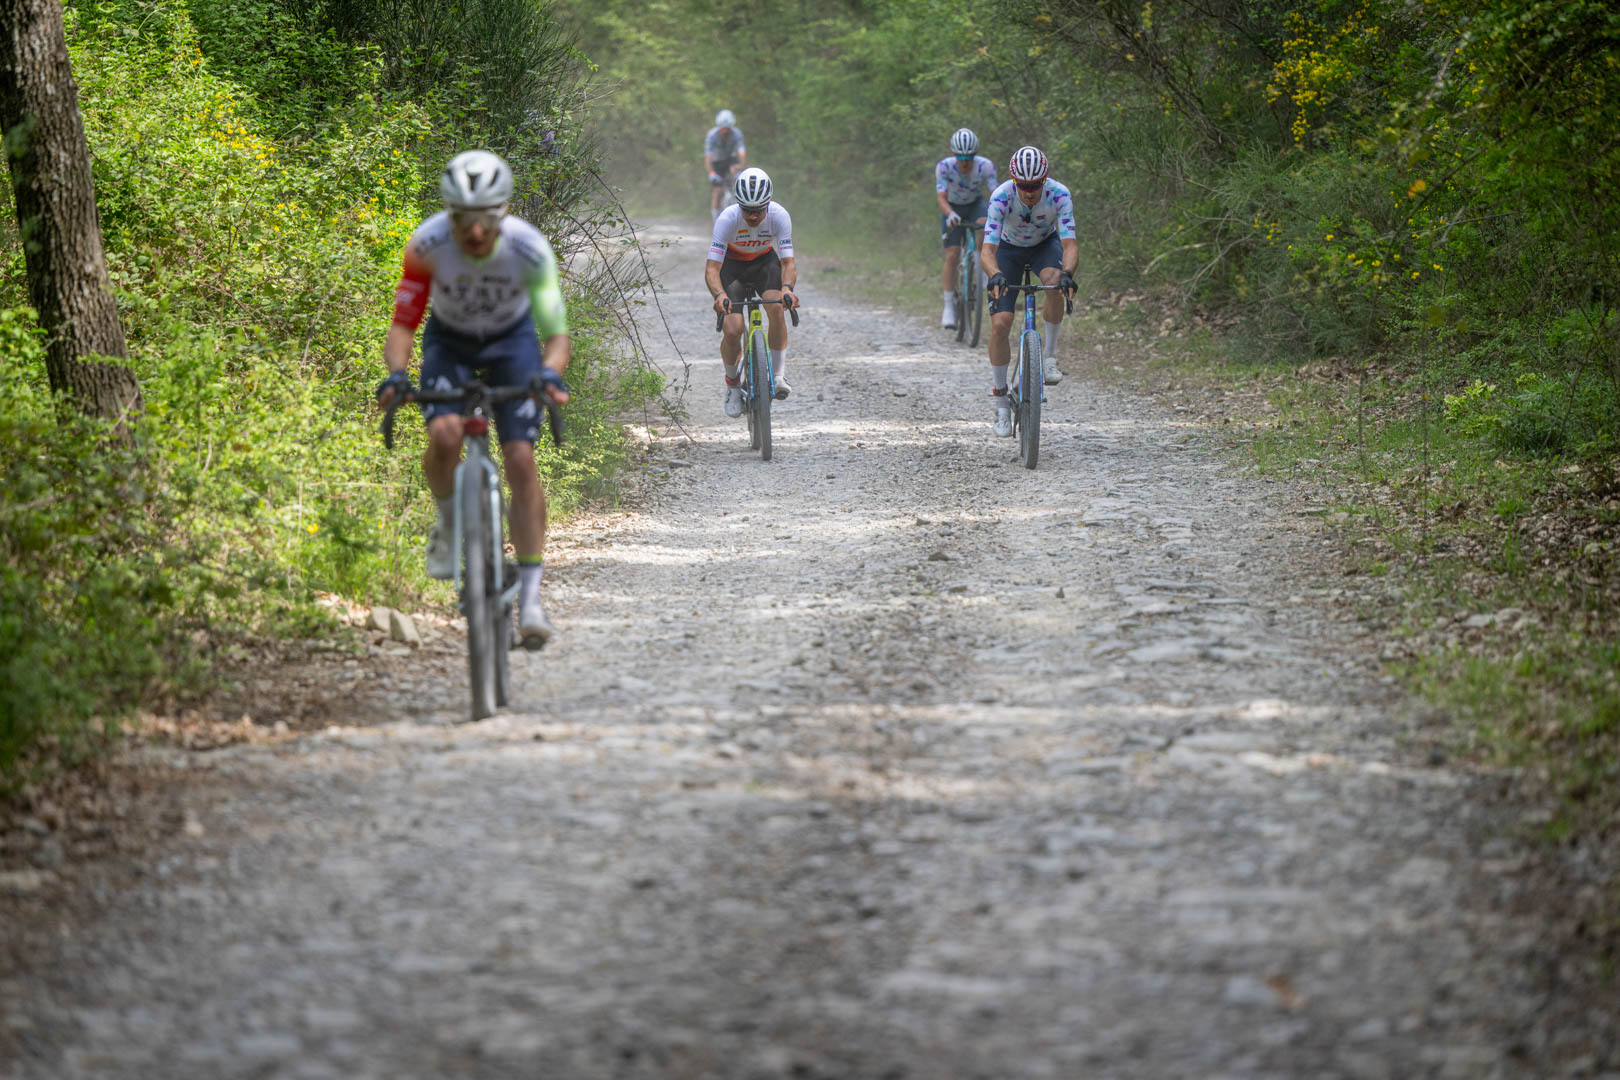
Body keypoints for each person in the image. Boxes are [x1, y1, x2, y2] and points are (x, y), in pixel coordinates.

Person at [375, 150, 571, 649]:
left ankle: (531, 600)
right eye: (463, 218)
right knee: (444, 436)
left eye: (485, 218)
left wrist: (550, 374)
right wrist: (397, 375)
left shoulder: (529, 248)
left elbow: (556, 334)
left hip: (512, 342)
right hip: (451, 343)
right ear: (450, 214)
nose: (475, 231)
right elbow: (403, 326)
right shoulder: (427, 243)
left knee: (521, 459)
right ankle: (448, 524)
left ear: (503, 213)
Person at [979, 145, 1078, 437]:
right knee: (1001, 324)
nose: (1030, 191)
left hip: (1044, 246)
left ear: (1044, 180)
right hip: (1007, 250)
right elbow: (987, 251)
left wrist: (1068, 275)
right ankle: (1001, 403)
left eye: (1035, 185)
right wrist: (995, 274)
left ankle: (1048, 358)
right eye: (1023, 185)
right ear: (1014, 181)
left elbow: (1070, 244)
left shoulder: (1059, 194)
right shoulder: (1001, 196)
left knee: (1054, 282)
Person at [705, 167, 798, 416]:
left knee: (776, 306)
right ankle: (733, 386)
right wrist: (719, 295)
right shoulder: (726, 219)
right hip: (732, 268)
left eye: (758, 210)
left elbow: (787, 262)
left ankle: (778, 376)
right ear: (738, 205)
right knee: (733, 330)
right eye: (747, 210)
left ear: (768, 205)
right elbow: (712, 268)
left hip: (763, 264)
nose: (753, 216)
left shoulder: (779, 216)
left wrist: (787, 289)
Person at [935, 127, 997, 329]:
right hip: (952, 207)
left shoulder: (986, 166)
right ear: (954, 154)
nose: (965, 162)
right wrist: (950, 214)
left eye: (969, 157)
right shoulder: (944, 167)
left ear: (975, 154)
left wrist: (995, 216)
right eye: (961, 157)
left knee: (985, 229)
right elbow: (941, 197)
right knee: (952, 254)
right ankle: (948, 307)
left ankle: (981, 266)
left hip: (974, 204)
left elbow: (996, 194)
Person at [704, 109, 747, 221]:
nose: (725, 131)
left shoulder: (736, 134)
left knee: (736, 173)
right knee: (718, 192)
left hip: (730, 160)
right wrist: (711, 173)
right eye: (722, 128)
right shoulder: (712, 135)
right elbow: (708, 157)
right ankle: (716, 221)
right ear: (718, 126)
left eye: (727, 129)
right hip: (717, 162)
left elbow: (741, 151)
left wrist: (741, 166)